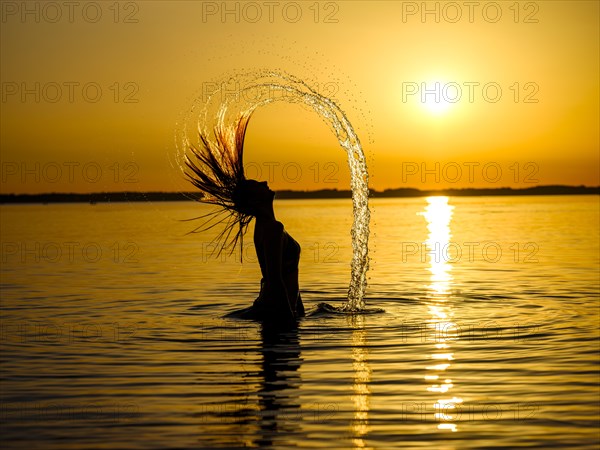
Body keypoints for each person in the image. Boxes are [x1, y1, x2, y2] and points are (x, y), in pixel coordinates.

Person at [184, 111, 304, 322]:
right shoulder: (272, 229)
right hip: (276, 311)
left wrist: (299, 312)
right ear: (254, 201)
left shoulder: (266, 227)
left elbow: (283, 279)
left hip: (275, 307)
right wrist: (290, 321)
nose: (264, 182)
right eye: (256, 185)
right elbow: (275, 281)